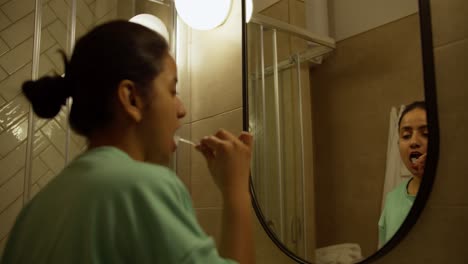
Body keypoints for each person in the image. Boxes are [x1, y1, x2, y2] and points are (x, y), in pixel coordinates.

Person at [0, 20, 254, 264]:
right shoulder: (143, 186)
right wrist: (236, 189)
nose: (182, 109)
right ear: (131, 99)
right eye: (172, 91)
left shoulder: (36, 210)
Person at [378, 101, 427, 247]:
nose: (413, 142)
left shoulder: (455, 200)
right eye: (406, 135)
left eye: (426, 133)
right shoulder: (392, 199)